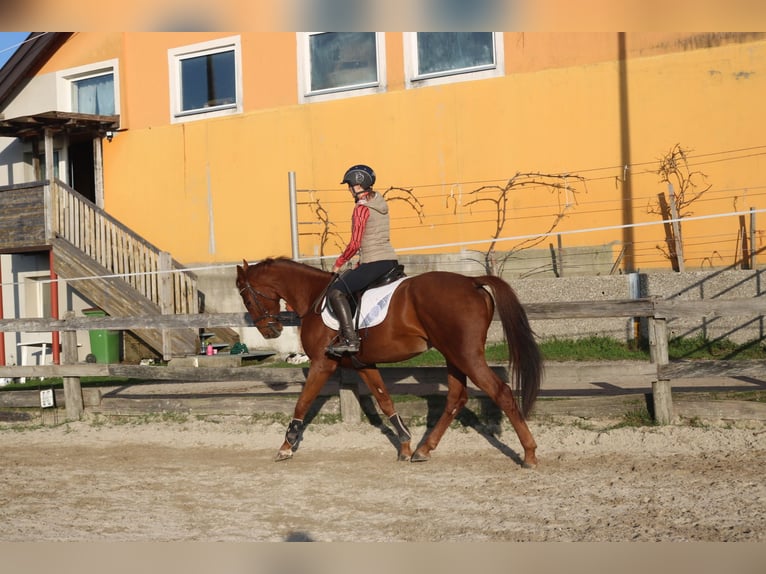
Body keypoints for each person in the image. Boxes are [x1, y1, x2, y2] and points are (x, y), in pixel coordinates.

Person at [326, 164, 399, 355]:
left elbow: (355, 244)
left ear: (358, 185)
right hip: (389, 261)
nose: (349, 190)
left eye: (349, 185)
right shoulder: (379, 202)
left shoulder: (361, 209)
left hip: (374, 262)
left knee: (336, 292)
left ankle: (350, 340)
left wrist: (339, 263)